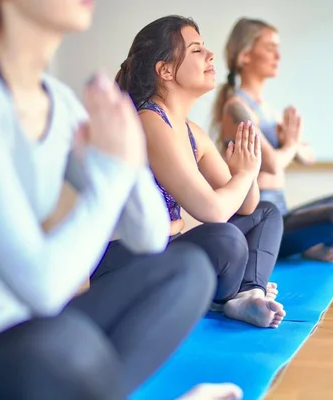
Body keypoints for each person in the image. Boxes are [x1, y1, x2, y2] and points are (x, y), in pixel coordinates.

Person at [0, 1, 242, 399]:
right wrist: (110, 176)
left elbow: (150, 236)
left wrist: (127, 154)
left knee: (187, 271)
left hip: (28, 336)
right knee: (63, 344)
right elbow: (42, 287)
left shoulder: (61, 100)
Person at [106, 15, 286, 329]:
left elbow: (247, 205)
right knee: (226, 238)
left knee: (268, 213)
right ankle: (228, 296)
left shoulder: (193, 132)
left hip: (169, 254)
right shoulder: (149, 120)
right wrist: (244, 176)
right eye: (196, 50)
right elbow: (212, 211)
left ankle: (246, 293)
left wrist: (247, 168)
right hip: (126, 264)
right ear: (165, 70)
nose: (210, 55)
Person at [213, 17, 333, 263]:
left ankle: (314, 242)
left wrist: (293, 144)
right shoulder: (237, 109)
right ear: (245, 56)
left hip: (283, 214)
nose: (278, 56)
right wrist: (290, 145)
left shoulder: (267, 110)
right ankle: (327, 239)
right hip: (261, 226)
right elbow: (273, 164)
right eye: (270, 48)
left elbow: (309, 157)